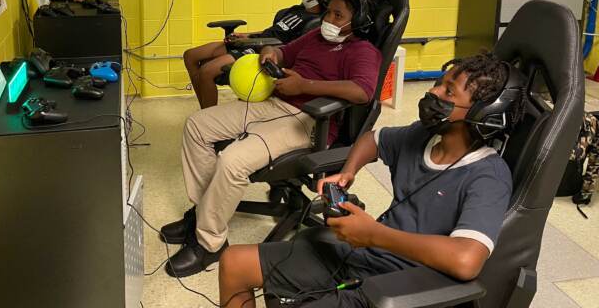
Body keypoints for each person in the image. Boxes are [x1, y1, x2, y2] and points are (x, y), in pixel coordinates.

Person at [218, 53, 522, 308]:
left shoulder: (488, 176)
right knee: (234, 263)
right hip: (365, 255)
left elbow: (467, 260)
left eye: (449, 92)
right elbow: (372, 139)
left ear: (484, 114)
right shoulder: (423, 135)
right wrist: (348, 171)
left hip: (403, 284)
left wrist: (375, 234)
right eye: (439, 83)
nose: (434, 93)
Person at [162, 0, 382, 278]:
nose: (329, 18)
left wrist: (305, 87)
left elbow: (362, 91)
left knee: (233, 160)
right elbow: (281, 50)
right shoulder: (316, 36)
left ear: (360, 21)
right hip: (275, 103)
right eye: (328, 11)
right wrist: (270, 55)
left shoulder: (363, 51)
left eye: (337, 14)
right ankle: (203, 216)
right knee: (197, 126)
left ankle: (209, 243)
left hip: (310, 119)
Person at [183, 0, 334, 109]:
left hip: (261, 49)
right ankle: (205, 107)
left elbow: (289, 47)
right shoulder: (295, 10)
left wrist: (255, 42)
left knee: (207, 71)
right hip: (254, 41)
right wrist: (246, 35)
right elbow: (271, 30)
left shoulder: (313, 22)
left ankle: (208, 117)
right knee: (190, 56)